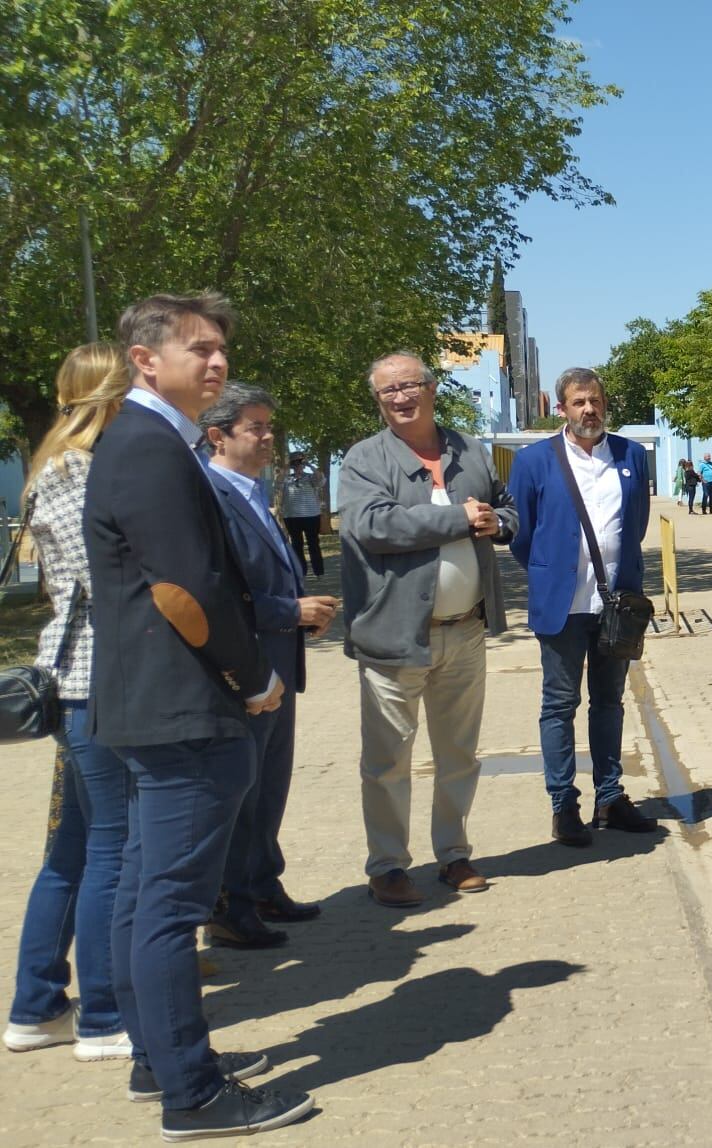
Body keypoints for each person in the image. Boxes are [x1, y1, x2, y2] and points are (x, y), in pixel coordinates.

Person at [85, 293, 309, 1137]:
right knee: (171, 903)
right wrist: (252, 679)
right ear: (146, 359)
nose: (216, 363)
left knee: (148, 893)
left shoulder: (150, 442)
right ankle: (194, 1093)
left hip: (155, 707)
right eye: (200, 350)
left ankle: (160, 1060)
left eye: (221, 350)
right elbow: (187, 592)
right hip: (181, 709)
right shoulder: (148, 448)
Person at [340, 352, 518, 909]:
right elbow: (373, 525)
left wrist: (497, 522)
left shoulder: (470, 450)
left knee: (459, 753)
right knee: (388, 760)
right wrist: (461, 519)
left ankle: (454, 853)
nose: (399, 398)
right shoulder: (364, 458)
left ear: (432, 389)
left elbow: (507, 508)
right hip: (394, 637)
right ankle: (388, 865)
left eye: (409, 385)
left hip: (464, 630)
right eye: (387, 391)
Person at [6, 343, 134, 1064]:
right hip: (93, 679)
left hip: (84, 676)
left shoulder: (57, 466)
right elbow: (105, 574)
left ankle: (39, 1004)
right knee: (107, 850)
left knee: (75, 849)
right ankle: (102, 1016)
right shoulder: (75, 471)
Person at [200, 385, 337, 951]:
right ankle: (230, 903)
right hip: (244, 672)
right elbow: (217, 595)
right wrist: (290, 610)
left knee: (271, 786)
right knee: (243, 791)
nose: (268, 436)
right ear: (218, 436)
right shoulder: (208, 496)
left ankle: (262, 884)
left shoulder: (254, 490)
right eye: (255, 427)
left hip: (282, 660)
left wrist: (302, 616)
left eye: (267, 425)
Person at [508, 369, 660, 847]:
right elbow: (522, 536)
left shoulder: (631, 454)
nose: (588, 410)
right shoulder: (534, 461)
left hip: (616, 604)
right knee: (559, 704)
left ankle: (610, 797)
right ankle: (563, 805)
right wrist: (552, 569)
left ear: (605, 404)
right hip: (562, 605)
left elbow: (634, 526)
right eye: (578, 402)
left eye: (594, 401)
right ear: (562, 409)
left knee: (610, 702)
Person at [278, 455, 324, 577]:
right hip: (292, 516)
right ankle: (301, 572)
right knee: (296, 545)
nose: (298, 466)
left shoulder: (310, 478)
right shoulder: (287, 479)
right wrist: (287, 466)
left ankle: (318, 571)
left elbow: (320, 480)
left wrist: (309, 465)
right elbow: (277, 484)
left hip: (311, 515)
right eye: (296, 464)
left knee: (313, 543)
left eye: (300, 464)